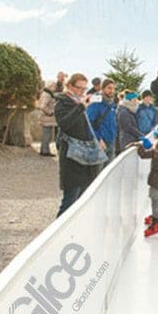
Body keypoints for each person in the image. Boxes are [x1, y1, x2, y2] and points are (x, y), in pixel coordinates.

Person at [54, 72, 104, 216]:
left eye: (84, 88)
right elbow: (64, 124)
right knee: (69, 201)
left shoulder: (77, 102)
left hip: (84, 157)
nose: (82, 91)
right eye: (79, 88)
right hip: (72, 157)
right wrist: (81, 107)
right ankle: (57, 234)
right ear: (69, 86)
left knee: (81, 200)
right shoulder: (63, 102)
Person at [85, 79, 119, 158]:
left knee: (110, 169)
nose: (112, 91)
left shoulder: (112, 104)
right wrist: (98, 139)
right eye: (109, 88)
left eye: (114, 88)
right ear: (103, 89)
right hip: (100, 142)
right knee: (99, 170)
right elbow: (88, 123)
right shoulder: (95, 102)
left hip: (111, 141)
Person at [36, 71, 65, 156]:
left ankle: (45, 150)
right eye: (53, 86)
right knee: (47, 135)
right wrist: (50, 112)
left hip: (47, 118)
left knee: (47, 135)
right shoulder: (47, 95)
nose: (55, 87)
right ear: (50, 86)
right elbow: (43, 106)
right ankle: (45, 151)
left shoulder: (47, 94)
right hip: (47, 118)